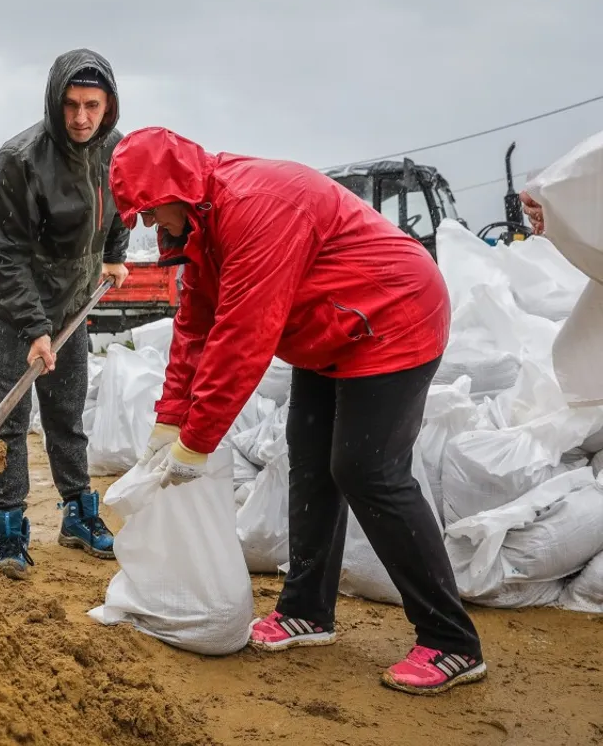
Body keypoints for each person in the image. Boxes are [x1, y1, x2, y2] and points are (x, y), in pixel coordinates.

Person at [108, 126, 485, 695]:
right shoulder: (204, 227)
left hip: (393, 314)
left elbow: (241, 338)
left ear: (178, 188)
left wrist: (198, 441)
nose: (149, 224)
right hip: (329, 332)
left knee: (367, 471)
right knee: (308, 460)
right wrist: (168, 423)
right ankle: (308, 610)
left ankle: (451, 641)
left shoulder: (256, 207)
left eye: (151, 210)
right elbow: (195, 328)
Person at [0, 48, 131, 579]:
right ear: (54, 101)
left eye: (92, 105)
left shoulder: (113, 150)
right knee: (12, 422)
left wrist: (115, 253)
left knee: (66, 416)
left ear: (108, 106)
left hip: (69, 308)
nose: (81, 117)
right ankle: (10, 526)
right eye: (70, 104)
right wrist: (35, 329)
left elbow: (121, 204)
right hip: (10, 310)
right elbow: (2, 251)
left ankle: (77, 515)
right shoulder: (20, 159)